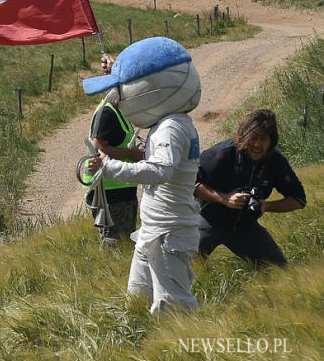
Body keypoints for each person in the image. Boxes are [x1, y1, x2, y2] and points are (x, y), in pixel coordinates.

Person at [84, 37, 202, 314]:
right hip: (153, 231)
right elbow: (145, 87)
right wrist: (119, 73)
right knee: (136, 301)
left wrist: (108, 166)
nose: (119, 100)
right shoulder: (168, 122)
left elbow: (161, 171)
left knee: (173, 305)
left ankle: (185, 353)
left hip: (168, 232)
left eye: (122, 92)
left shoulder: (171, 127)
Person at [195, 108, 305, 268]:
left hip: (245, 227)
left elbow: (298, 200)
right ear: (243, 136)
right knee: (183, 269)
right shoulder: (222, 153)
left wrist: (265, 206)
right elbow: (192, 183)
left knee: (279, 270)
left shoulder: (276, 162)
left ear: (272, 141)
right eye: (253, 138)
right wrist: (224, 199)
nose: (257, 144)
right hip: (208, 220)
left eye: (263, 139)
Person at [82, 54, 143, 247]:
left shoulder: (120, 111)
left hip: (120, 186)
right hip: (109, 191)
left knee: (124, 242)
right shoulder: (108, 112)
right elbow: (99, 149)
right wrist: (132, 154)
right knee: (116, 244)